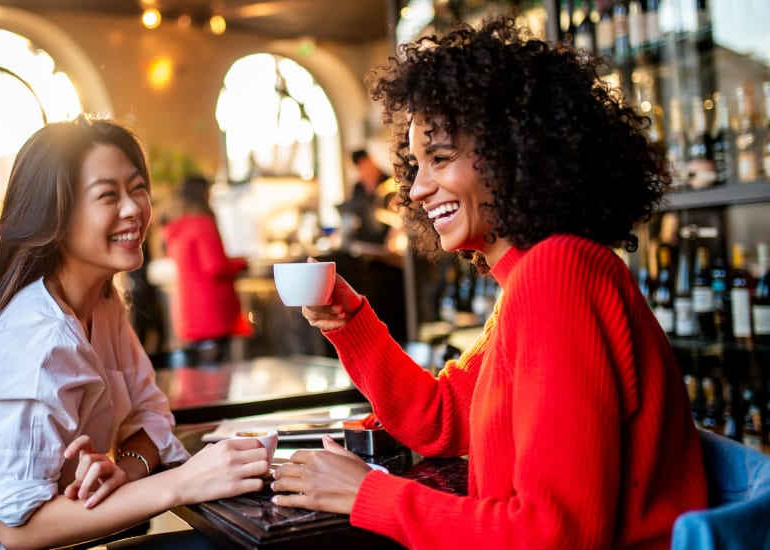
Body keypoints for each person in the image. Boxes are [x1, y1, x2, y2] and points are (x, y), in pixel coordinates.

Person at [270, 17, 708, 549]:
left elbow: (555, 535)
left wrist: (368, 494)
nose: (416, 189)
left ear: (514, 150)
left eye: (440, 158)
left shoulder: (558, 275)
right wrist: (351, 321)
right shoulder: (533, 276)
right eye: (416, 164)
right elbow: (441, 418)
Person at [0, 116, 269, 550]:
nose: (134, 209)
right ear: (57, 216)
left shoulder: (104, 306)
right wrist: (183, 483)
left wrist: (127, 468)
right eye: (108, 195)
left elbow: (151, 416)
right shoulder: (40, 338)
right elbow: (18, 527)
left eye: (137, 187)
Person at [161, 176, 250, 364]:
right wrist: (241, 263)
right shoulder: (203, 224)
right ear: (202, 195)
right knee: (218, 382)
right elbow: (215, 266)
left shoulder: (178, 227)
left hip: (190, 314)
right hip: (211, 313)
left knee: (200, 382)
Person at [337, 149, 394, 245]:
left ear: (372, 161)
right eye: (360, 168)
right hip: (364, 238)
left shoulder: (390, 183)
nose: (363, 171)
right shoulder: (359, 187)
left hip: (385, 237)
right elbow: (354, 210)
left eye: (364, 166)